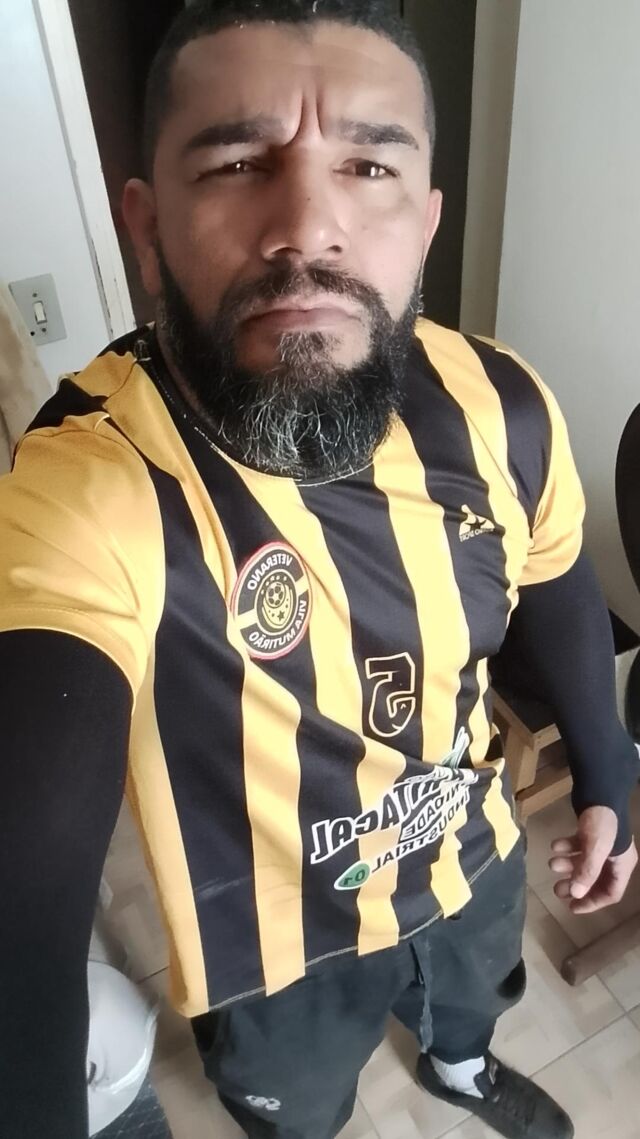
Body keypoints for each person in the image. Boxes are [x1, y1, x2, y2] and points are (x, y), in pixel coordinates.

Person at [0, 3, 637, 1137]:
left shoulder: (500, 402)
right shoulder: (95, 482)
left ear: (425, 221)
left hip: (469, 845)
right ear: (145, 224)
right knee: (301, 1110)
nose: (307, 227)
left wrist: (608, 770)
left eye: (369, 164)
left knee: (470, 1005)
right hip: (275, 944)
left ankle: (458, 1069)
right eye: (238, 162)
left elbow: (556, 581)